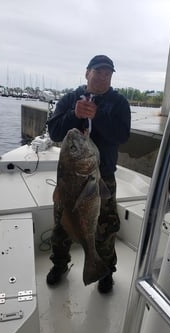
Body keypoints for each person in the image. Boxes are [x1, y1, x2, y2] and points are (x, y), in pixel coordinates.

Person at [47, 55, 131, 293]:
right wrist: (74, 114)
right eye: (98, 72)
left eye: (108, 74)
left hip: (102, 177)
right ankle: (60, 265)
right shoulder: (69, 99)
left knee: (105, 227)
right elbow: (54, 132)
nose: (103, 77)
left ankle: (104, 270)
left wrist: (98, 116)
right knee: (62, 225)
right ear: (87, 73)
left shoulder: (118, 103)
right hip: (69, 179)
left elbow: (122, 136)